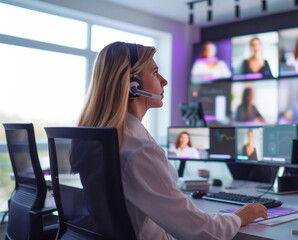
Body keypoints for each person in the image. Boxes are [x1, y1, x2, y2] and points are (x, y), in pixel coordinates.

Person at [78, 41, 268, 239]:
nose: (164, 81)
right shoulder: (138, 150)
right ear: (133, 85)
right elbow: (202, 233)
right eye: (155, 73)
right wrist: (240, 216)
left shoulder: (97, 140)